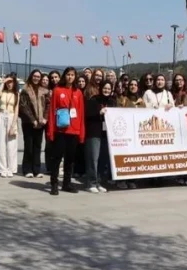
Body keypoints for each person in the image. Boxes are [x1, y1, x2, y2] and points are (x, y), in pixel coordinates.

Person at [46, 67, 85, 195]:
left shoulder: (78, 92)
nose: (70, 77)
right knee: (57, 158)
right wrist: (50, 131)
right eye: (68, 74)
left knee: (70, 159)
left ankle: (66, 183)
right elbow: (52, 111)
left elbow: (80, 113)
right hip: (60, 130)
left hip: (73, 131)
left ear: (75, 77)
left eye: (72, 75)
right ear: (65, 76)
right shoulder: (57, 90)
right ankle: (54, 183)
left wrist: (81, 132)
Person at [84, 81, 115, 193]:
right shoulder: (93, 100)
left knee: (103, 160)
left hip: (106, 134)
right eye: (105, 88)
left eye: (109, 88)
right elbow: (87, 114)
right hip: (94, 133)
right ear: (101, 88)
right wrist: (99, 112)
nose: (106, 90)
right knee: (93, 159)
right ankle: (90, 183)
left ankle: (99, 182)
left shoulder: (112, 101)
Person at [19, 70, 48, 178]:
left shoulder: (44, 90)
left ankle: (36, 169)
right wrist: (33, 120)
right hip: (28, 123)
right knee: (29, 146)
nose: (36, 78)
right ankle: (27, 169)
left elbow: (48, 105)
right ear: (31, 77)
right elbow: (24, 107)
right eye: (35, 76)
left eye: (38, 76)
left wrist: (45, 118)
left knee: (37, 146)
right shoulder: (25, 90)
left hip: (40, 123)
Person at [0, 74, 20, 178]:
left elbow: (17, 109)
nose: (10, 84)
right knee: (0, 144)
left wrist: (14, 124)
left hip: (11, 116)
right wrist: (3, 82)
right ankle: (2, 168)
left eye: (12, 82)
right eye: (8, 82)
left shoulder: (17, 94)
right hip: (1, 115)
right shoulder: (3, 92)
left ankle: (11, 168)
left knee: (12, 145)